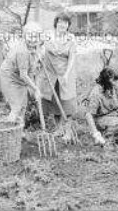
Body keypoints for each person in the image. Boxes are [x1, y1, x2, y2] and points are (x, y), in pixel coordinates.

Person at [39, 12, 77, 142]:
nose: (62, 25)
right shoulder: (48, 36)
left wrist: (66, 74)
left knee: (67, 103)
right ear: (56, 23)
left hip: (65, 74)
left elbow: (72, 58)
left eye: (65, 23)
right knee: (54, 102)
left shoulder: (71, 38)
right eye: (60, 22)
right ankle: (58, 128)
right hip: (50, 74)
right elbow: (39, 48)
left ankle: (68, 131)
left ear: (68, 25)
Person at [0, 21, 42, 125]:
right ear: (24, 36)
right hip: (10, 77)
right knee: (16, 106)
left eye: (35, 36)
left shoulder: (32, 46)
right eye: (30, 36)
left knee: (23, 104)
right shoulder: (22, 51)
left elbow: (32, 69)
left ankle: (19, 132)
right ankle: (7, 131)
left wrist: (36, 55)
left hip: (19, 76)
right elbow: (24, 75)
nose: (33, 39)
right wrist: (36, 89)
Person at [85, 67, 118, 146]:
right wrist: (95, 133)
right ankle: (106, 138)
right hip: (102, 118)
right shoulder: (96, 92)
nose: (115, 82)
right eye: (113, 80)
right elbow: (88, 115)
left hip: (115, 113)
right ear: (106, 80)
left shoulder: (114, 85)